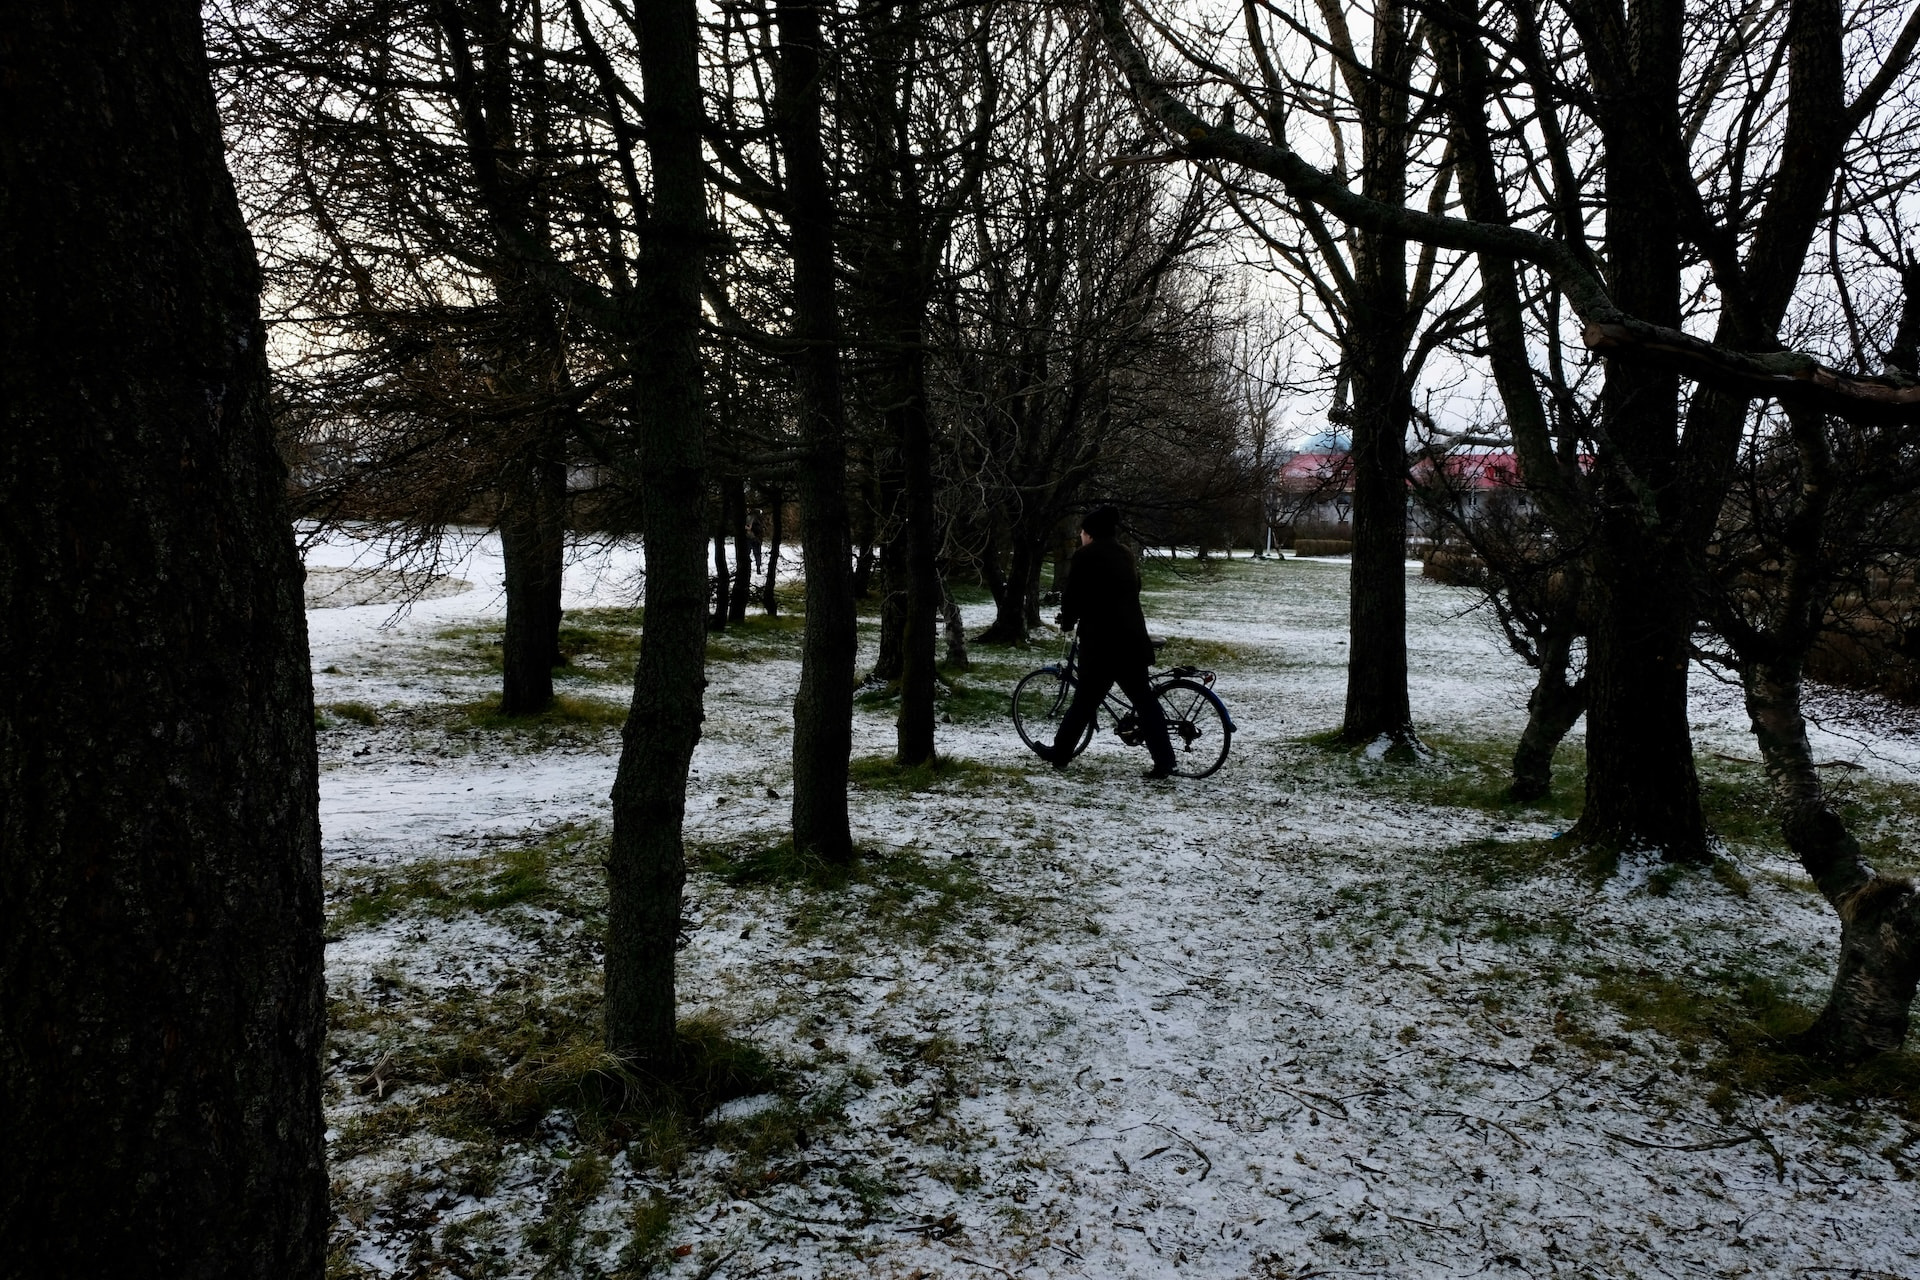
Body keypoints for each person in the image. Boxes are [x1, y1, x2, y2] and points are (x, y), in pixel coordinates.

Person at [1035, 507, 1178, 778]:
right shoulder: (1125, 554)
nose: (1080, 536)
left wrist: (1068, 621)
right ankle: (1165, 760)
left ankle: (1061, 752)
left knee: (1084, 702)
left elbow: (1073, 595)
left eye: (1082, 532)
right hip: (1132, 640)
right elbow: (1135, 587)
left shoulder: (1086, 556)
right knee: (1145, 703)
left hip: (1101, 645)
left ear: (1090, 533)